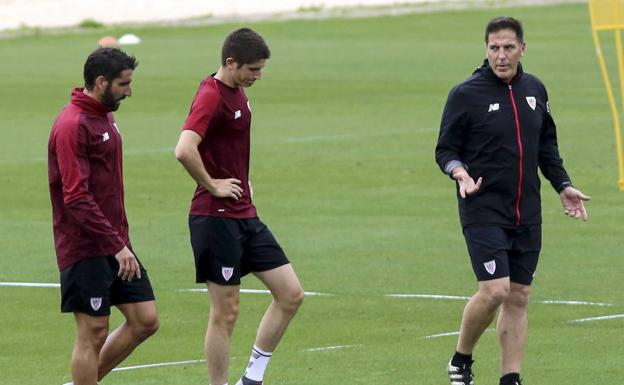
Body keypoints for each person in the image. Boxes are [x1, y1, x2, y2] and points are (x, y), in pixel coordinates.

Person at [435, 16, 590, 385]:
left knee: (518, 295)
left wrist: (563, 185)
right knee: (494, 290)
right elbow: (445, 150)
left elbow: (546, 146)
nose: (501, 56)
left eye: (508, 47)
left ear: (523, 48)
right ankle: (461, 359)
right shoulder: (465, 94)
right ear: (485, 49)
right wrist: (460, 173)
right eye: (494, 48)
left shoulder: (535, 89)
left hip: (527, 210)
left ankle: (511, 379)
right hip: (483, 206)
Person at [175, 28, 304, 385]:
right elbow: (184, 149)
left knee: (291, 294)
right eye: (253, 69)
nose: (258, 76)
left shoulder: (239, 93)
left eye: (260, 69)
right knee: (225, 314)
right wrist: (213, 184)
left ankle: (252, 378)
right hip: (214, 220)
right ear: (231, 63)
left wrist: (244, 183)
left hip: (245, 214)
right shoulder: (210, 96)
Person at [48, 47, 159, 385]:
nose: (129, 91)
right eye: (124, 84)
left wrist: (119, 243)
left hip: (114, 242)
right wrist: (117, 246)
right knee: (93, 332)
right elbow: (76, 197)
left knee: (145, 319)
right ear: (101, 82)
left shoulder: (104, 113)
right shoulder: (73, 124)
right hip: (85, 246)